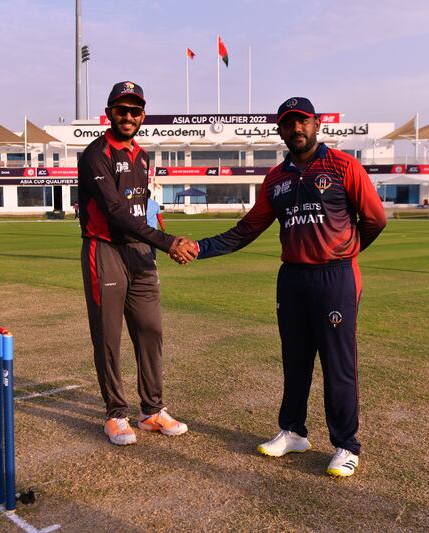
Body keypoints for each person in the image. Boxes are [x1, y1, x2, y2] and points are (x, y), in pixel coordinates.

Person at [171, 97, 386, 477]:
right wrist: (199, 249)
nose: (296, 130)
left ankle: (345, 445)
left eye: (302, 122)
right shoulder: (277, 178)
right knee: (295, 360)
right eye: (288, 124)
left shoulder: (343, 166)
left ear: (316, 124)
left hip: (335, 278)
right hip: (293, 279)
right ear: (280, 130)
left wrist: (344, 253)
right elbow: (246, 230)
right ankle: (293, 431)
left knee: (338, 365)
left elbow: (374, 219)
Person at [77, 80, 195, 446]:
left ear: (143, 115)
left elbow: (140, 210)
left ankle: (152, 411)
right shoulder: (96, 153)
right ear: (109, 112)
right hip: (105, 249)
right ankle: (115, 414)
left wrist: (159, 241)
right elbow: (114, 211)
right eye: (121, 110)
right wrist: (167, 241)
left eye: (135, 111)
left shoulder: (143, 156)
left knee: (150, 329)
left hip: (140, 253)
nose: (128, 116)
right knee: (108, 336)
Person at [145, 189, 165, 258]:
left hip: (143, 229)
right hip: (153, 230)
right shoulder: (155, 204)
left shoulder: (141, 204)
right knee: (153, 246)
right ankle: (154, 260)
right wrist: (162, 227)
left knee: (144, 246)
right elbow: (159, 217)